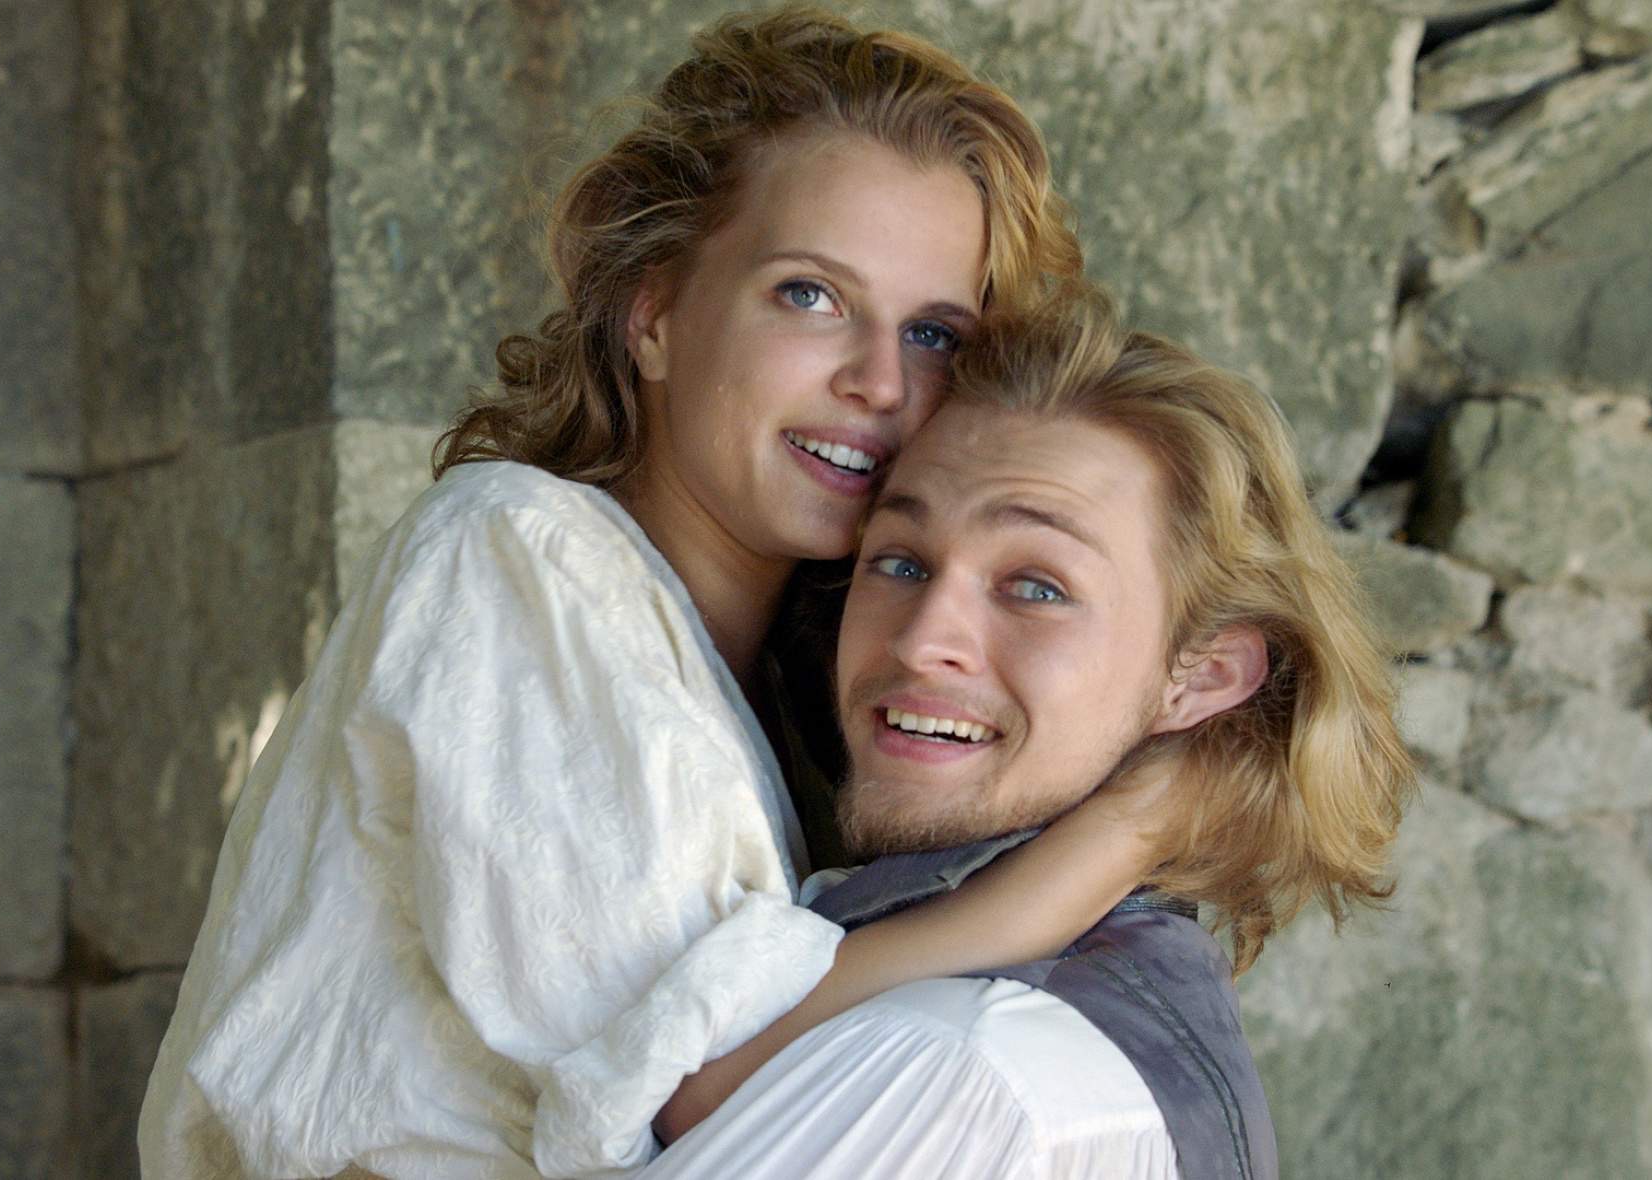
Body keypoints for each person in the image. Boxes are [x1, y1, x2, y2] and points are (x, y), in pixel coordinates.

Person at [136, 8, 1165, 1179]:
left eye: (933, 333)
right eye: (809, 295)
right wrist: (1120, 838)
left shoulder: (797, 676)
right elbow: (684, 1088)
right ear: (654, 312)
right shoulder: (511, 554)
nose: (879, 381)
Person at [645, 285, 1417, 1178]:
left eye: (1037, 588)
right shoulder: (1015, 1005)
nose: (922, 640)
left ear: (1203, 676)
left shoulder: (959, 1069)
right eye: (901, 563)